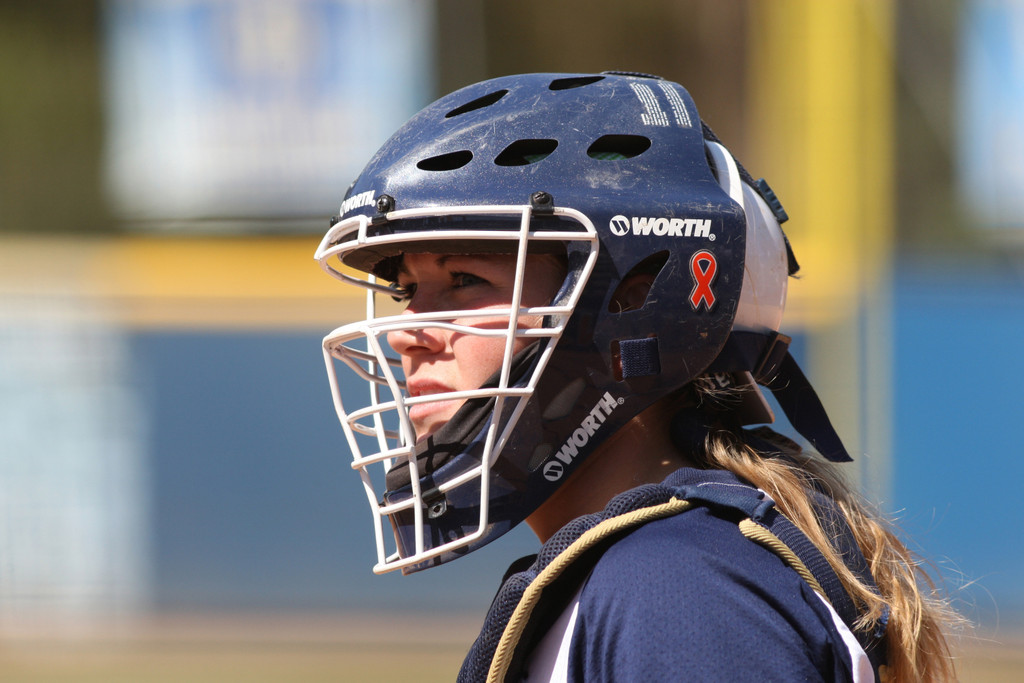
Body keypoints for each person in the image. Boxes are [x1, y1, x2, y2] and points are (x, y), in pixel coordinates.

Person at [314, 72, 957, 682]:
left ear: (632, 301)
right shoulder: (664, 571)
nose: (406, 333)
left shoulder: (681, 591)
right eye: (407, 292)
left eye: (464, 281)